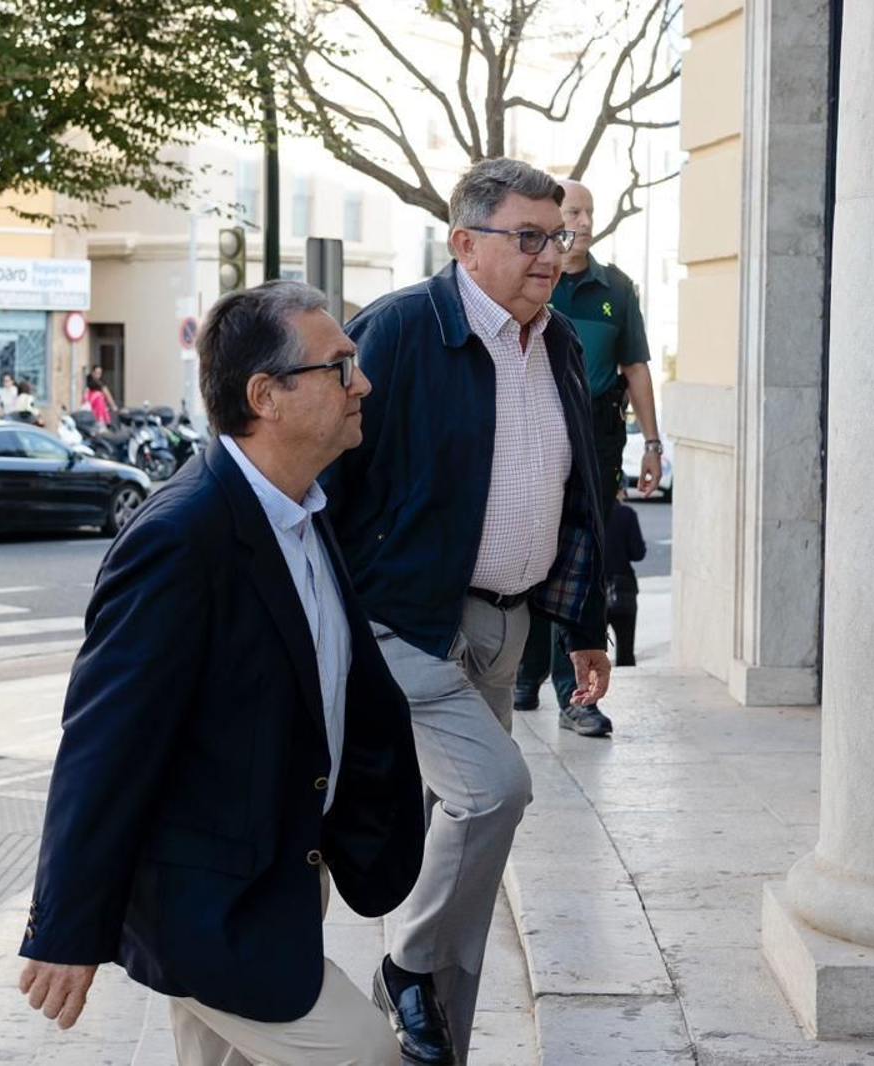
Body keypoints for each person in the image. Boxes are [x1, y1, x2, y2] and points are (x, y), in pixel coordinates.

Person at [17, 281, 425, 1066]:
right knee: (366, 1053)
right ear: (266, 395)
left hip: (278, 869)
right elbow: (106, 742)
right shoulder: (181, 538)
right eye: (340, 367)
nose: (363, 383)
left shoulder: (303, 506)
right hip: (206, 898)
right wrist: (65, 926)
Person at [322, 158, 613, 1065]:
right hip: (400, 623)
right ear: (464, 242)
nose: (548, 254)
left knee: (475, 848)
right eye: (527, 237)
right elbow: (321, 474)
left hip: (506, 625)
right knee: (496, 792)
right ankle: (407, 967)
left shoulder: (557, 340)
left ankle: (437, 1035)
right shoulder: (401, 331)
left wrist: (587, 625)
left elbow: (579, 492)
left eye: (555, 235)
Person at [512, 177, 662, 738]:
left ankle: (575, 695)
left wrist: (651, 443)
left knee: (586, 559)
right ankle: (523, 677)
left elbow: (637, 368)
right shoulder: (532, 279)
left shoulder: (616, 288)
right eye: (573, 210)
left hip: (598, 435)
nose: (584, 220)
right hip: (533, 428)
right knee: (530, 545)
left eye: (590, 211)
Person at [604, 496, 647, 667]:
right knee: (625, 649)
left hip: (592, 591)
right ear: (620, 490)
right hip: (623, 589)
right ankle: (626, 682)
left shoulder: (590, 511)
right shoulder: (626, 514)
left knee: (591, 650)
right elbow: (638, 553)